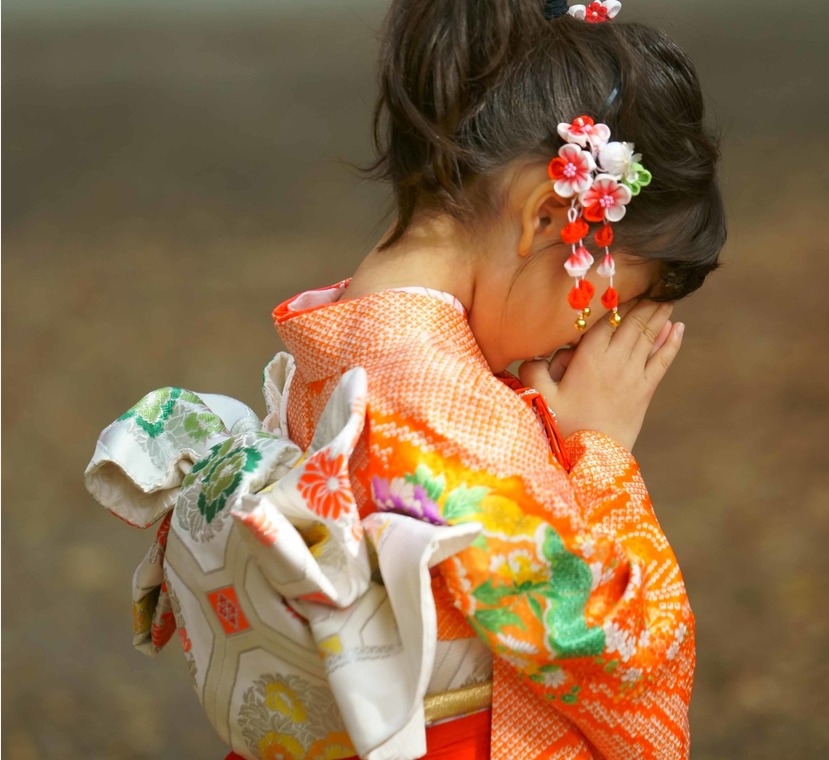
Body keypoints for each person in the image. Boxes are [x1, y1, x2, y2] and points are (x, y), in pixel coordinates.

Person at [84, 0, 725, 757]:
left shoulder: (350, 326)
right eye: (607, 304)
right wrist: (600, 452)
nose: (588, 337)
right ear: (550, 216)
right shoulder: (441, 397)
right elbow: (608, 647)